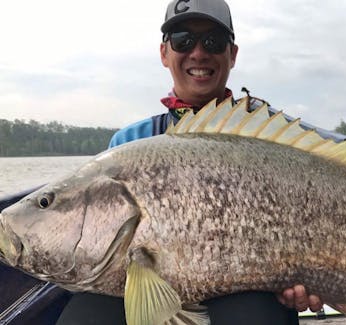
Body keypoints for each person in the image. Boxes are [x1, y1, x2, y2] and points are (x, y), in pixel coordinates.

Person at [56, 0, 324, 324]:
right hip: (145, 289)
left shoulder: (266, 137)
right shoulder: (128, 144)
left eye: (214, 41)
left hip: (246, 288)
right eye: (183, 39)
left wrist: (309, 278)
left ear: (233, 54)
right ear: (164, 53)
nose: (198, 53)